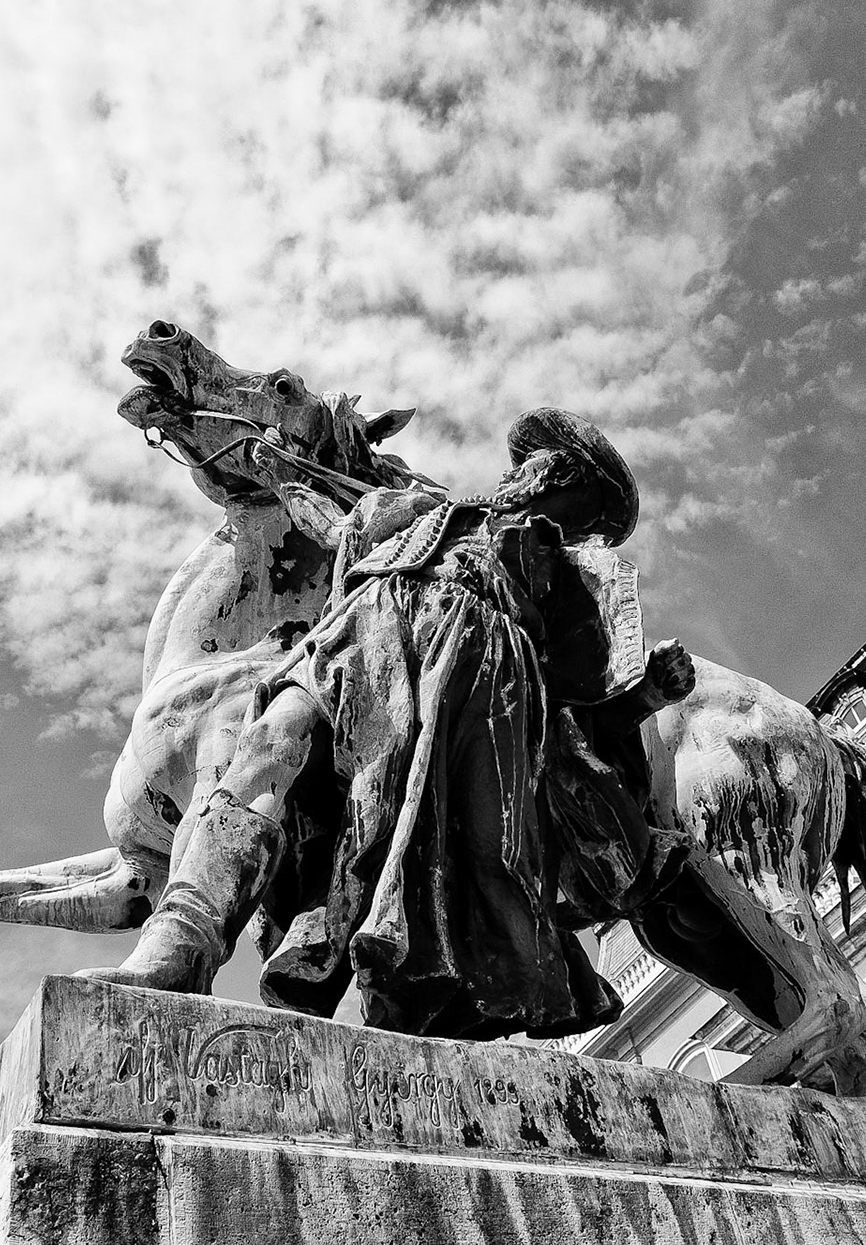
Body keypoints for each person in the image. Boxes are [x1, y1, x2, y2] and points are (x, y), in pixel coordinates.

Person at [83, 409, 696, 1040]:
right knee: (268, 741)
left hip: (469, 686)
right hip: (360, 634)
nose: (535, 473)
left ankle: (434, 1005)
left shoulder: (567, 581)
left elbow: (579, 719)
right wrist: (285, 481)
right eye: (537, 463)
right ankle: (178, 949)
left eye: (565, 477)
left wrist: (647, 695)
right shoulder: (429, 507)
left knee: (443, 866)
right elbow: (345, 532)